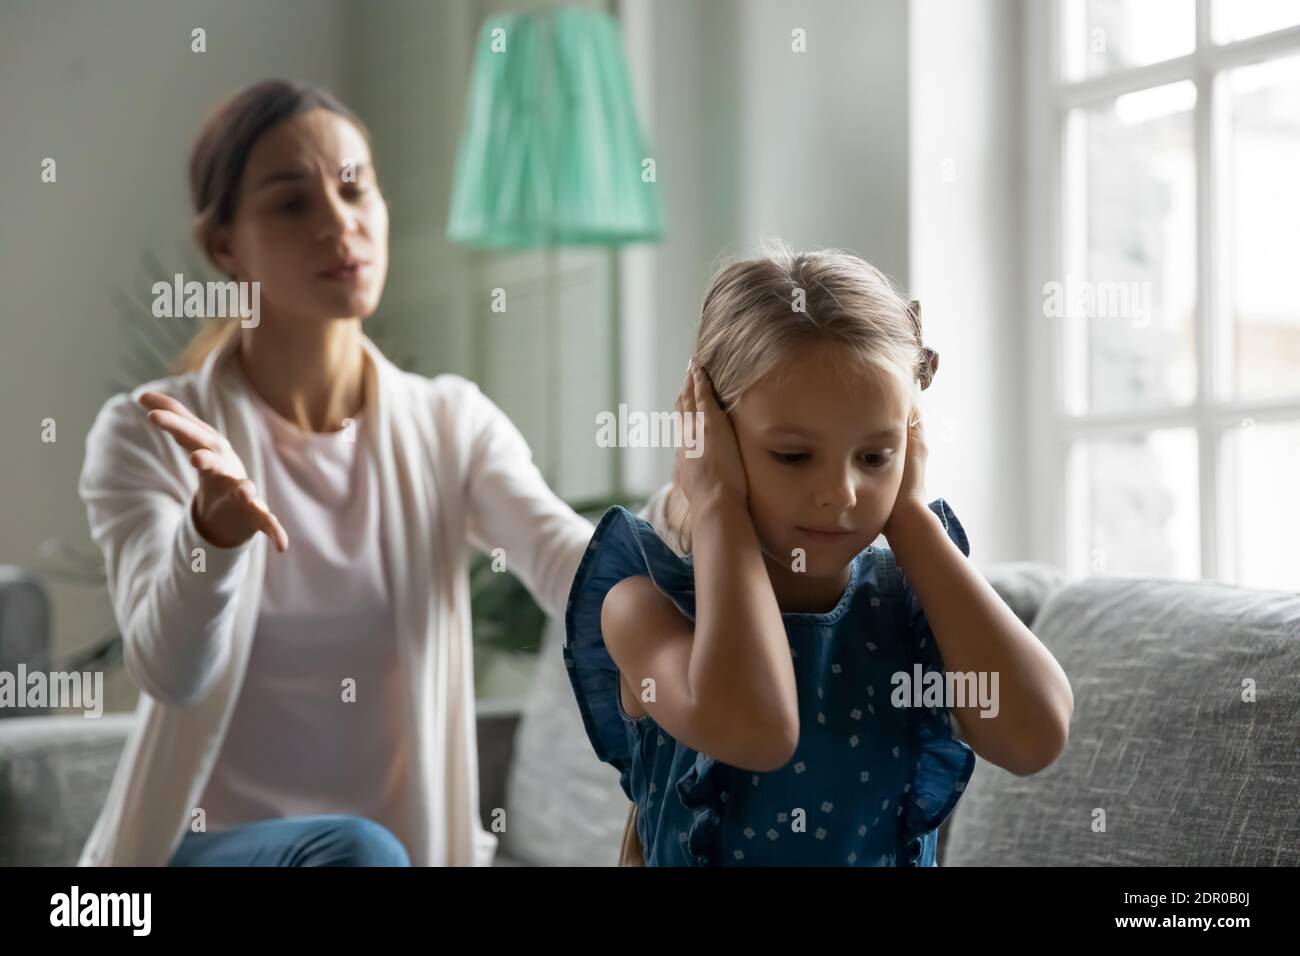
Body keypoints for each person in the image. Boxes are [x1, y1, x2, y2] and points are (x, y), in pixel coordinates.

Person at [78, 79, 592, 866]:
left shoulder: (449, 423)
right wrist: (210, 535)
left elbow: (563, 558)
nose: (337, 223)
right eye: (292, 204)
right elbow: (167, 672)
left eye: (355, 189)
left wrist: (700, 562)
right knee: (356, 851)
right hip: (192, 860)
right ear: (224, 247)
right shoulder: (148, 434)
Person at [565, 241, 1074, 865]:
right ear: (711, 436)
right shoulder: (644, 610)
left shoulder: (909, 608)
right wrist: (718, 504)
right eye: (794, 456)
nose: (840, 492)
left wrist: (911, 519)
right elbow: (757, 728)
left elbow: (1035, 735)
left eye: (874, 456)